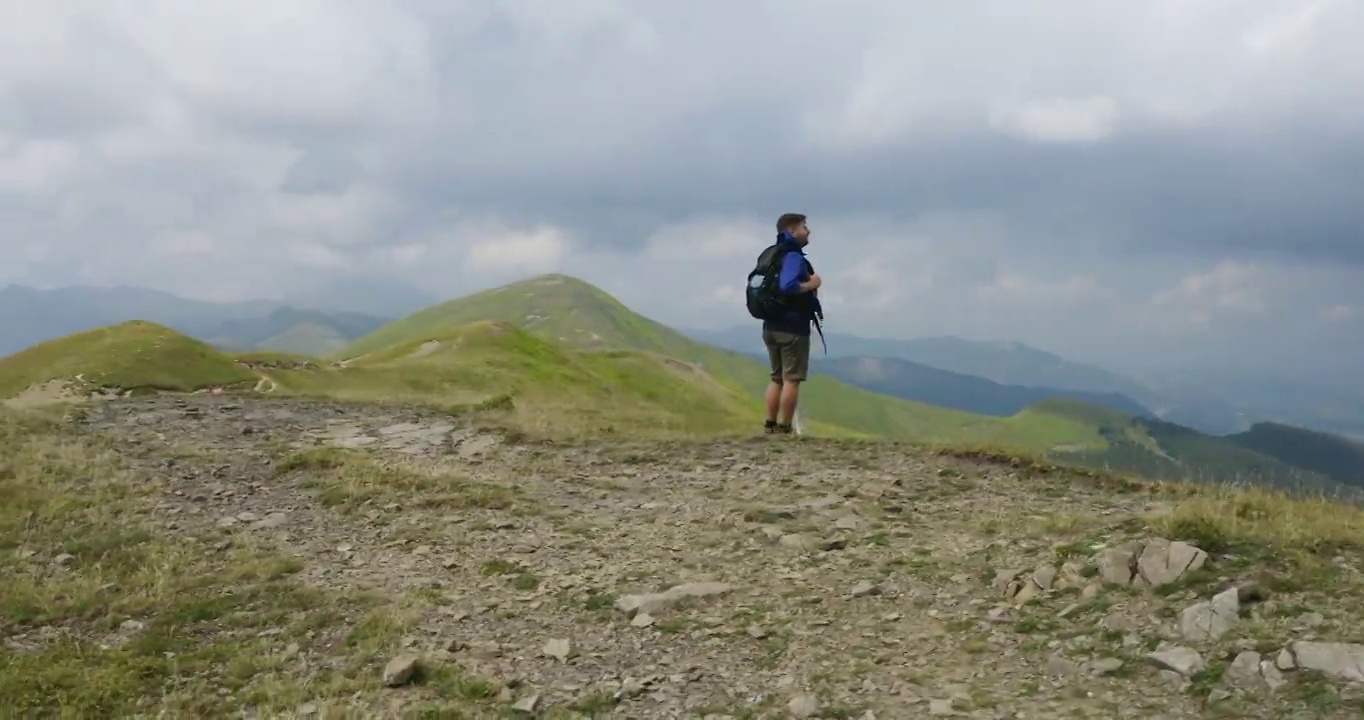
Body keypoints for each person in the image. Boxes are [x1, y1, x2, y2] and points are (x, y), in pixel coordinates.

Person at [761, 212, 822, 435]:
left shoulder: (772, 254)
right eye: (804, 227)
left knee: (776, 378)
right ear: (792, 231)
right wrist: (812, 284)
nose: (808, 231)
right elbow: (787, 286)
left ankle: (770, 424)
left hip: (770, 325)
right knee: (792, 379)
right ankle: (785, 426)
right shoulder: (793, 257)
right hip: (792, 327)